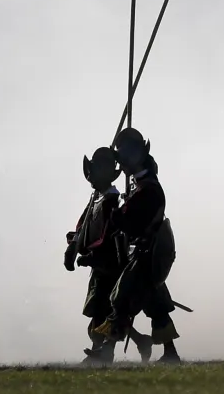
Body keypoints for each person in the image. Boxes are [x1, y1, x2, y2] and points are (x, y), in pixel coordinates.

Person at [92, 128, 181, 364]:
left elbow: (130, 224)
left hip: (145, 257)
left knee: (120, 301)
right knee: (157, 307)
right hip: (143, 256)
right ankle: (170, 353)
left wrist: (116, 212)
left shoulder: (149, 190)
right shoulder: (141, 187)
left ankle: (106, 353)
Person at [65, 146, 152, 364]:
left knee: (102, 312)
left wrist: (90, 255)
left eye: (95, 172)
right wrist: (74, 244)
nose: (91, 177)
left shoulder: (111, 201)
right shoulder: (97, 197)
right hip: (98, 266)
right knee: (103, 312)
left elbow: (107, 235)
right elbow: (83, 226)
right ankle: (140, 341)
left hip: (110, 265)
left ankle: (101, 355)